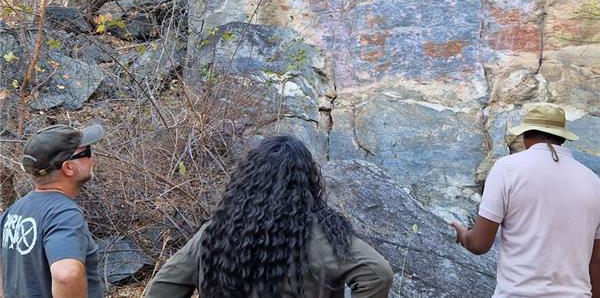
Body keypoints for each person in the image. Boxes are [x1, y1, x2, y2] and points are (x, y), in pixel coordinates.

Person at [145, 135, 394, 298]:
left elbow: (160, 289)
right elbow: (378, 273)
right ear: (307, 182)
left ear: (248, 180)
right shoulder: (324, 237)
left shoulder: (216, 232)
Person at [451, 102, 600, 297]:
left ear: (525, 135)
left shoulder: (507, 169)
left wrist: (464, 235)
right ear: (563, 139)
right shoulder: (593, 182)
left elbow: (479, 244)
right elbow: (596, 262)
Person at [0, 123, 105, 298]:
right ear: (68, 168)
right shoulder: (63, 215)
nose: (92, 158)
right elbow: (66, 275)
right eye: (87, 153)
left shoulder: (13, 212)